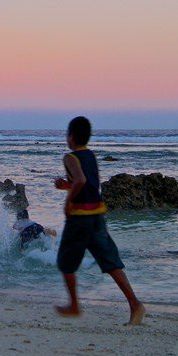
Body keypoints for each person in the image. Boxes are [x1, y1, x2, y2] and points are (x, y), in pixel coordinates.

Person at [53, 116, 145, 325]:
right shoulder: (91, 156)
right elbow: (88, 185)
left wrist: (67, 201)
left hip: (79, 219)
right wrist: (67, 185)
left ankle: (74, 305)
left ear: (71, 136)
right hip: (97, 216)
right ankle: (135, 304)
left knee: (66, 263)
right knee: (110, 262)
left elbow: (81, 181)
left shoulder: (70, 157)